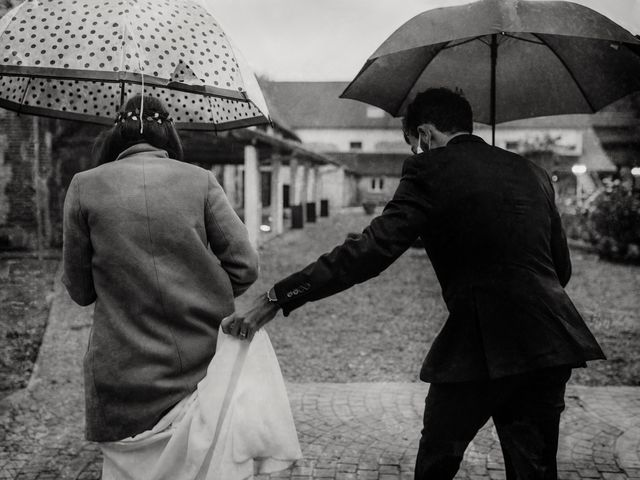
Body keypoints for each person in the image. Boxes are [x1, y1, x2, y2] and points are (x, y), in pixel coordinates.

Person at [223, 88, 606, 480]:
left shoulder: (429, 170)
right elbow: (561, 268)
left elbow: (368, 252)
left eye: (413, 145)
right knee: (535, 469)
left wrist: (277, 296)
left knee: (437, 460)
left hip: (478, 345)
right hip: (549, 342)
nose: (415, 153)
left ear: (424, 135)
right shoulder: (534, 173)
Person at [63, 94, 300, 479]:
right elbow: (245, 266)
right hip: (199, 368)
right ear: (168, 133)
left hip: (122, 378)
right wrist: (199, 283)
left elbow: (79, 289)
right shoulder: (200, 181)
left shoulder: (83, 186)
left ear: (115, 136)